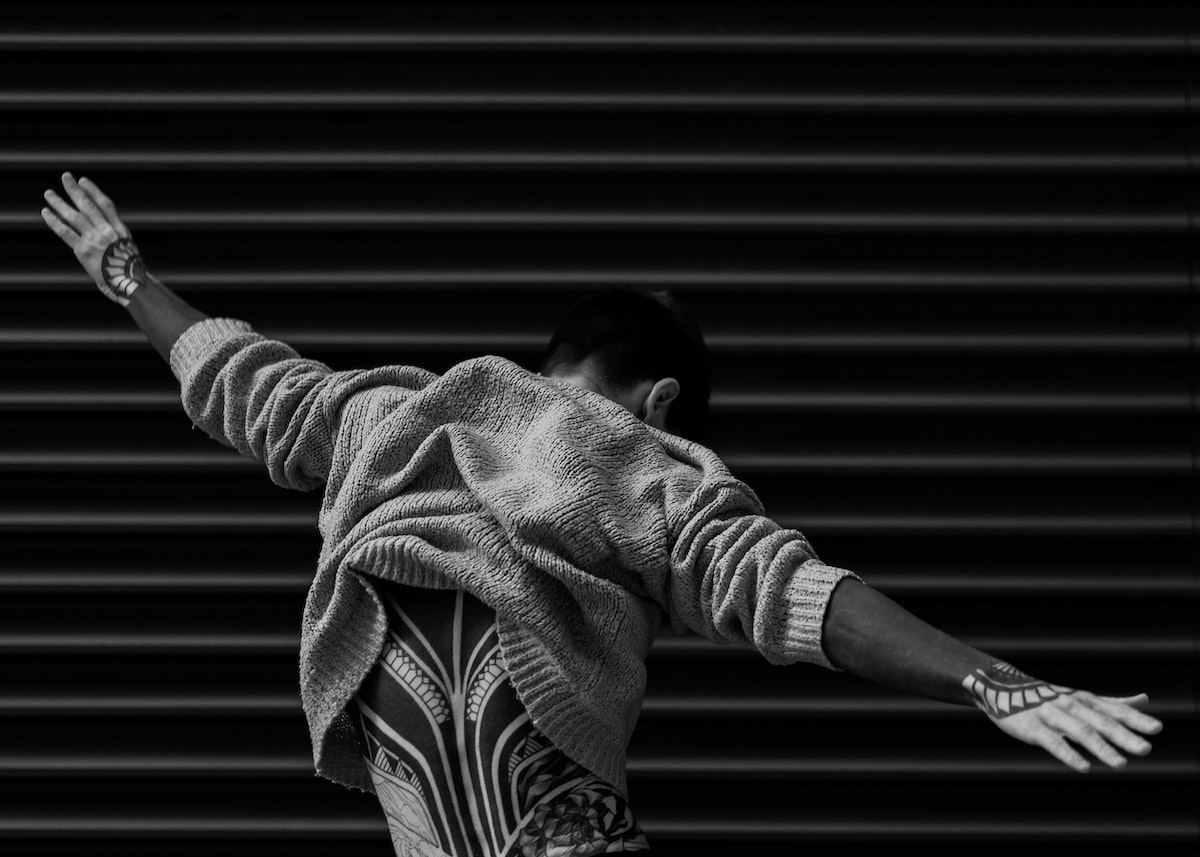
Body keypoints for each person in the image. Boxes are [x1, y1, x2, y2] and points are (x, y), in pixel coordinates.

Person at [41, 172, 1164, 856]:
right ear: (660, 400)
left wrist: (123, 272)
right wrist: (989, 679)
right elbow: (785, 587)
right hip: (555, 823)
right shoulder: (641, 460)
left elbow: (238, 376)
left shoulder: (390, 413)